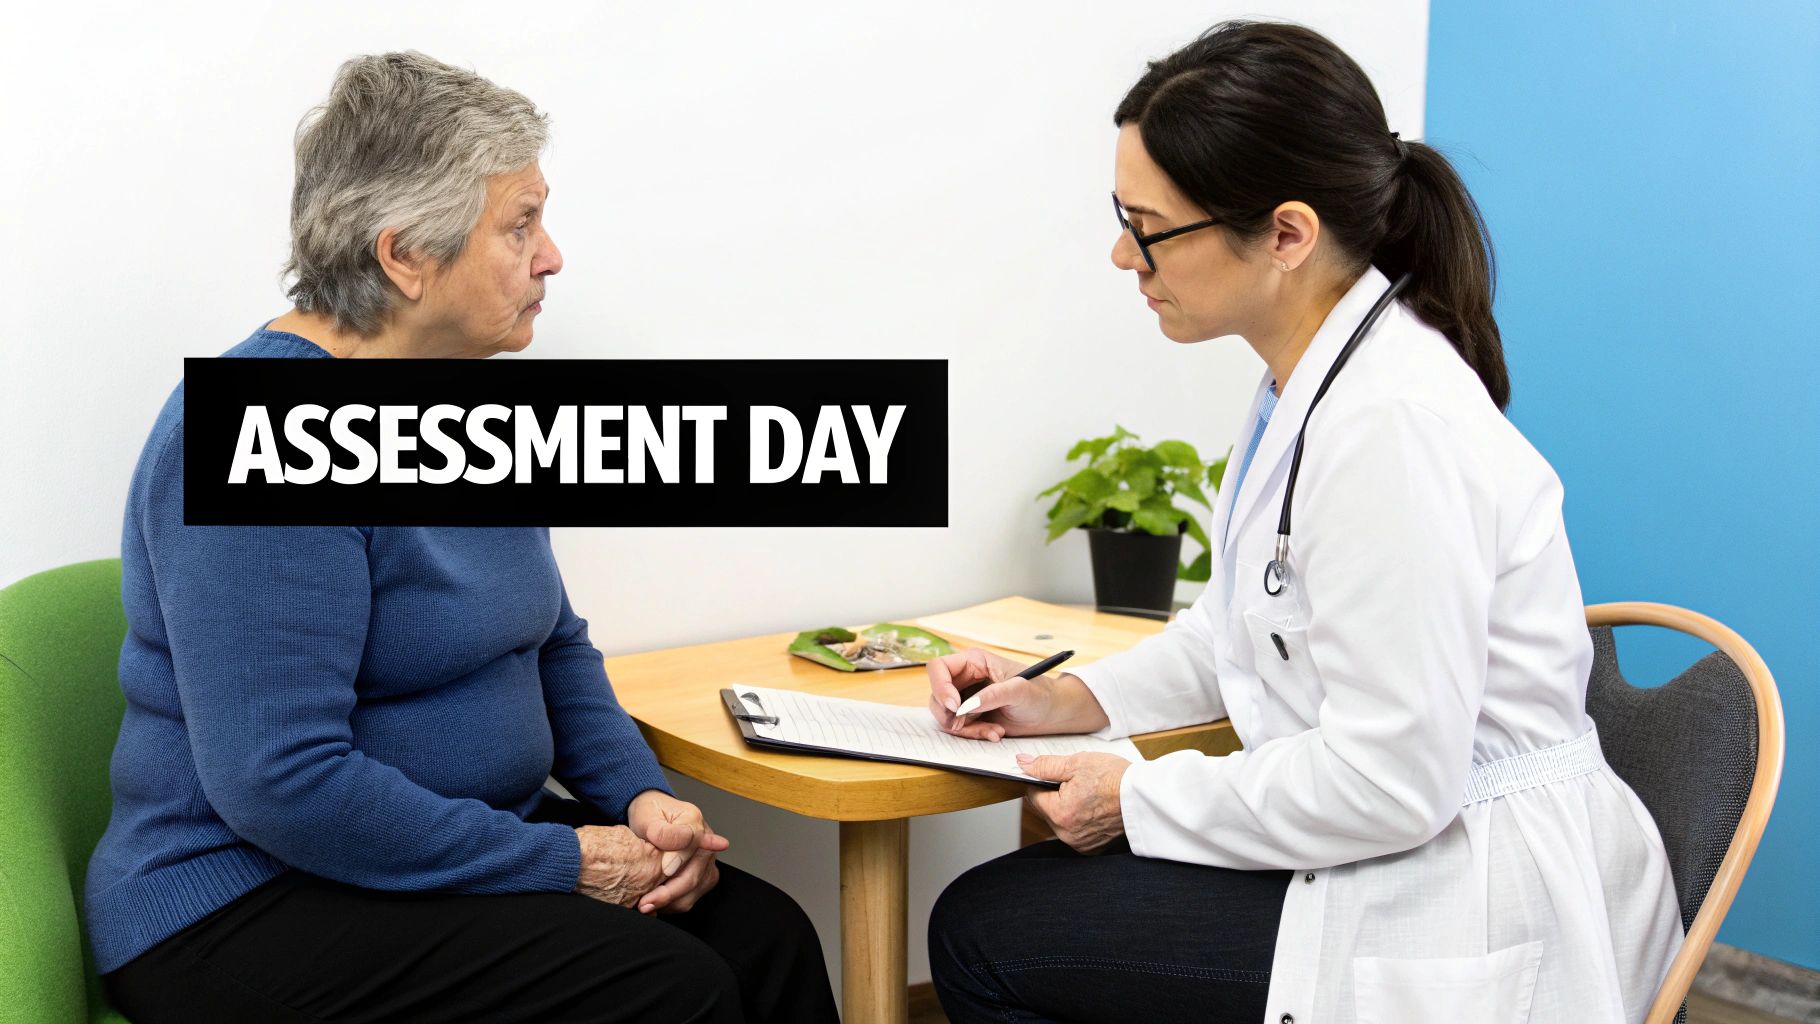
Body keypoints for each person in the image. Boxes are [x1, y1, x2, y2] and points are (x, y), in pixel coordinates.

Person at [925, 21, 1681, 1024]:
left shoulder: (1389, 426)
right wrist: (1064, 697)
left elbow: (1389, 781)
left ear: (1284, 235)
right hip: (1386, 838)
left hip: (1462, 891)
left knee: (984, 935)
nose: (1121, 254)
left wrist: (1134, 798)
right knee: (1006, 910)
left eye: (1147, 226)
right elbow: (1241, 625)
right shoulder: (1311, 383)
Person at [83, 51, 837, 1024]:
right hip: (243, 898)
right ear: (404, 256)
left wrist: (637, 800)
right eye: (518, 225)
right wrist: (566, 859)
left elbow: (550, 640)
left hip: (456, 846)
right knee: (666, 987)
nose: (552, 254)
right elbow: (282, 785)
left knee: (763, 934)